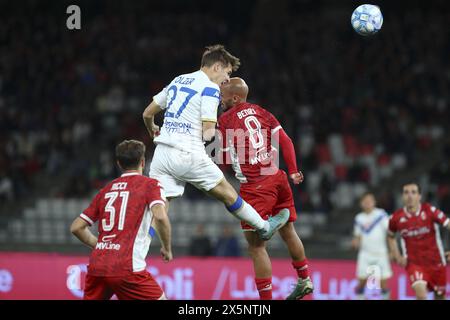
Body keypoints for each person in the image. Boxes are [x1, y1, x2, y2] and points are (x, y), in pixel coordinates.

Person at [142, 45, 288, 241]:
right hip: (188, 153)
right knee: (228, 194)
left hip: (161, 154)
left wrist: (152, 128)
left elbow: (147, 113)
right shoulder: (210, 88)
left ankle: (137, 251)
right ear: (217, 67)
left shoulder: (177, 80)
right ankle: (264, 226)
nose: (227, 80)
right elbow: (209, 132)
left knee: (160, 208)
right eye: (227, 73)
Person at [217, 77, 313, 300]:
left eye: (222, 97)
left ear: (234, 97)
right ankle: (304, 278)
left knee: (257, 247)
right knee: (289, 231)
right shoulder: (262, 111)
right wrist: (293, 171)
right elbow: (286, 141)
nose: (220, 101)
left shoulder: (226, 118)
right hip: (278, 178)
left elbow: (219, 151)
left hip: (255, 186)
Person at [70, 140, 172, 300]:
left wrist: (100, 246)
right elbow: (159, 215)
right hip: (126, 267)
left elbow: (76, 227)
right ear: (143, 162)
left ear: (119, 164)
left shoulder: (106, 189)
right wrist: (167, 248)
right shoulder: (150, 185)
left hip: (98, 265)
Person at [388, 182, 450, 300]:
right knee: (421, 295)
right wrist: (397, 255)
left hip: (436, 262)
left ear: (419, 196)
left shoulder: (430, 211)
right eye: (406, 192)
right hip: (414, 264)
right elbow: (390, 236)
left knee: (440, 296)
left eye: (413, 192)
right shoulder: (396, 217)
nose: (410, 196)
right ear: (402, 196)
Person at [351, 192, 392, 300]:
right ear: (361, 203)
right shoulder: (359, 218)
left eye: (370, 200)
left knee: (383, 283)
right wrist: (355, 241)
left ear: (374, 202)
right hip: (365, 254)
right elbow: (357, 235)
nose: (368, 203)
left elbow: (389, 233)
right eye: (365, 201)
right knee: (361, 283)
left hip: (381, 254)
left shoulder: (381, 214)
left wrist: (392, 250)